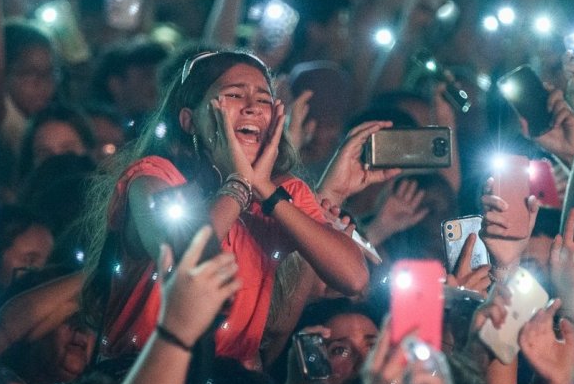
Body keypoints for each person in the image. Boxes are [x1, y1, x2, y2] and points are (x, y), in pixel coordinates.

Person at [80, 48, 368, 365]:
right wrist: (239, 183)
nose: (251, 108)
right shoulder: (153, 178)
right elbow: (184, 258)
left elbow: (353, 278)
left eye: (262, 100)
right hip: (140, 375)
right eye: (233, 95)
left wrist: (264, 190)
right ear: (189, 121)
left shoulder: (281, 192)